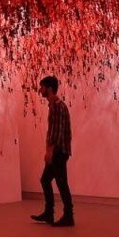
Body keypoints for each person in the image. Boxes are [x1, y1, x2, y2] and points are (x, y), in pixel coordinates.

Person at [31, 75, 74, 227]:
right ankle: (49, 213)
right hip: (59, 151)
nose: (40, 90)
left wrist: (49, 151)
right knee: (46, 180)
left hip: (59, 152)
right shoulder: (55, 105)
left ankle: (68, 216)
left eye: (42, 87)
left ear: (49, 88)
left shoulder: (57, 106)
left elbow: (56, 133)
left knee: (62, 183)